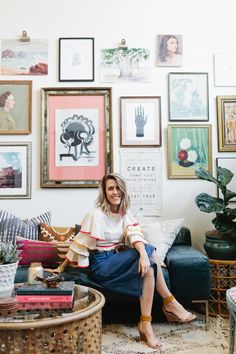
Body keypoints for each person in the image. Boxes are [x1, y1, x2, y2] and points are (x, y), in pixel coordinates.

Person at [49, 173, 195, 350]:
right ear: (104, 191)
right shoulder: (96, 215)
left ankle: (145, 324)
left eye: (118, 188)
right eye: (111, 188)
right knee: (149, 253)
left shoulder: (125, 214)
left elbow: (135, 234)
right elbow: (79, 244)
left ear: (123, 190)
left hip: (117, 259)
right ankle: (170, 302)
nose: (115, 192)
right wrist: (61, 268)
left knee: (148, 266)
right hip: (102, 265)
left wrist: (142, 255)